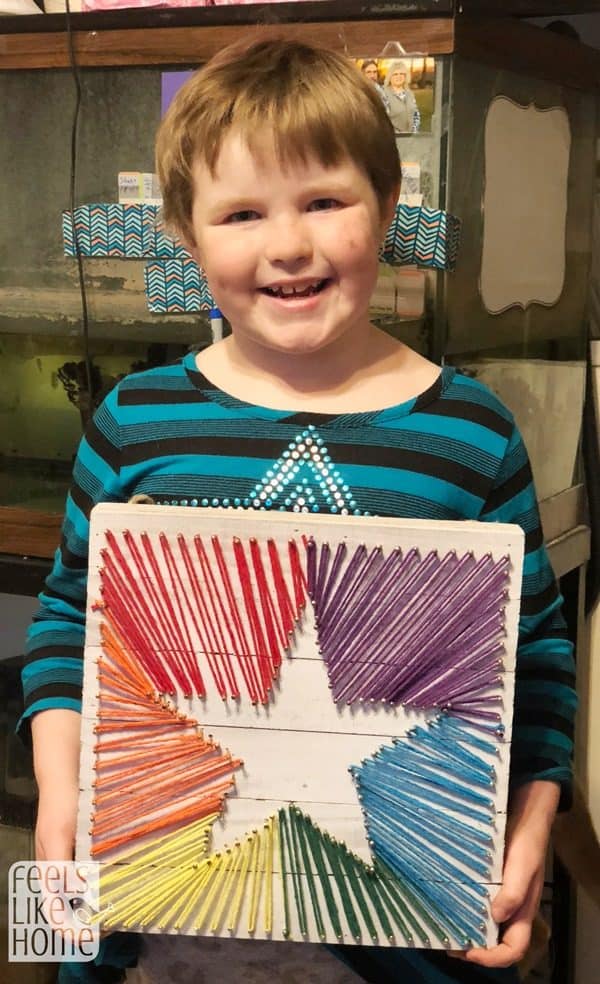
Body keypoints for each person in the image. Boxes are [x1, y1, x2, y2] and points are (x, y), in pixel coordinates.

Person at [22, 36, 576, 984]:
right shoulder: (133, 422)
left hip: (404, 933)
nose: (288, 244)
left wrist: (528, 836)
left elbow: (536, 665)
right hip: (147, 933)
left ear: (388, 209)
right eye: (241, 213)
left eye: (325, 200)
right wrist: (55, 798)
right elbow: (71, 626)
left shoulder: (473, 431)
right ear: (187, 238)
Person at [383, 59, 420, 134]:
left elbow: (416, 114)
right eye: (395, 74)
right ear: (390, 77)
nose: (399, 76)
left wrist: (414, 131)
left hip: (411, 137)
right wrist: (398, 134)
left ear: (405, 76)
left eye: (401, 74)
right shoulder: (384, 94)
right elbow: (383, 120)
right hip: (393, 137)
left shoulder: (410, 93)